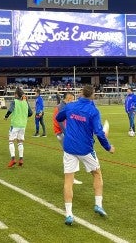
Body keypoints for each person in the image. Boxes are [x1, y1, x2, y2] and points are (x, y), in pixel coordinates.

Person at [55, 85, 115, 226]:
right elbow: (99, 133)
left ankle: (69, 214)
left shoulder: (71, 106)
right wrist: (108, 147)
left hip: (69, 148)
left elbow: (59, 117)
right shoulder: (93, 111)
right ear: (93, 95)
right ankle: (98, 205)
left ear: (81, 93)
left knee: (68, 180)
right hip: (85, 149)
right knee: (97, 174)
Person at [53, 91, 82, 185]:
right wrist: (68, 134)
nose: (73, 101)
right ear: (69, 99)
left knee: (69, 154)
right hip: (62, 133)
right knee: (71, 154)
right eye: (72, 99)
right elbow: (61, 123)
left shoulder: (61, 106)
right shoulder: (62, 107)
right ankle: (70, 178)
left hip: (60, 133)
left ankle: (70, 176)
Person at [4, 88, 33, 167]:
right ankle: (21, 159)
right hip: (23, 125)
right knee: (20, 141)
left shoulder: (14, 102)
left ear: (16, 94)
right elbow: (30, 113)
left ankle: (13, 159)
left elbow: (10, 110)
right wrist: (23, 115)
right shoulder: (25, 102)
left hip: (15, 124)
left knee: (11, 141)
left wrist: (6, 116)